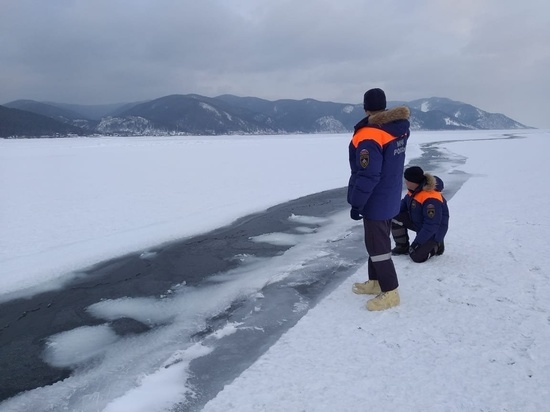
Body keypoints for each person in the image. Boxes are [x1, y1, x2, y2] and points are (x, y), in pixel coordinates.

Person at [348, 88, 411, 311]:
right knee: (377, 241)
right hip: (390, 193)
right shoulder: (397, 129)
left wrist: (357, 202)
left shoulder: (369, 134)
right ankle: (375, 282)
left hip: (375, 198)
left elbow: (368, 173)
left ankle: (390, 291)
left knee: (378, 246)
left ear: (365, 107)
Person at [391, 166, 449, 262]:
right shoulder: (413, 192)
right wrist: (385, 212)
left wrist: (417, 243)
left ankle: (437, 246)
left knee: (417, 257)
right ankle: (402, 247)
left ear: (413, 182)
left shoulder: (431, 199)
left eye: (407, 180)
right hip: (420, 224)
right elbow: (400, 207)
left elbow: (432, 225)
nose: (405, 182)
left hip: (434, 230)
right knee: (394, 216)